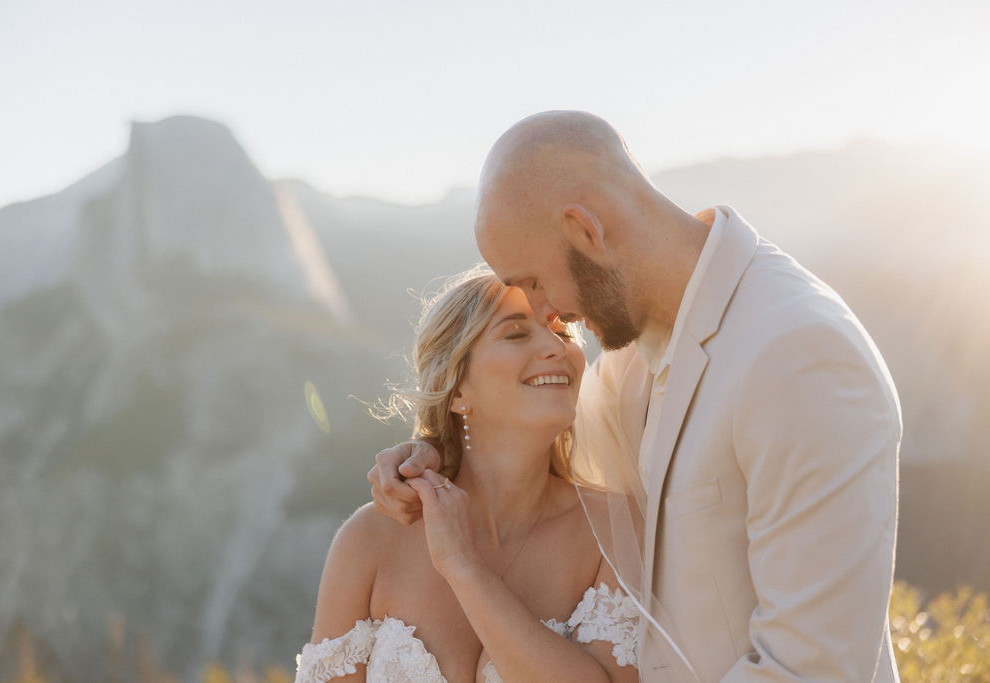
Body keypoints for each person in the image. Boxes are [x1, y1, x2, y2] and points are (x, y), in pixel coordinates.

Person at [369, 111, 902, 682]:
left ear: (587, 232)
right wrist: (430, 457)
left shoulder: (797, 353)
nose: (545, 312)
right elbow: (522, 449)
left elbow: (812, 672)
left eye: (533, 281)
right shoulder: (627, 362)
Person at [298, 268, 675, 682]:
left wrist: (463, 566)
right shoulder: (372, 539)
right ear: (457, 389)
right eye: (515, 334)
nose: (555, 347)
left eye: (564, 334)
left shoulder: (615, 530)